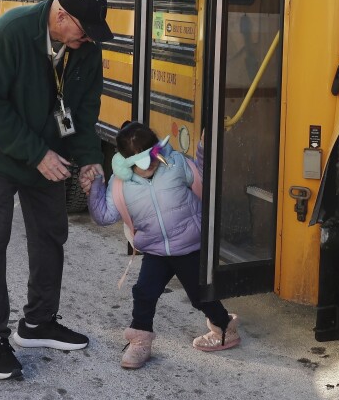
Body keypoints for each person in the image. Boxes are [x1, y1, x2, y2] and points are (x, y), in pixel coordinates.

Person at [0, 0, 112, 380]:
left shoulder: (86, 47)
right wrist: (37, 155)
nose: (89, 39)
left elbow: (83, 110)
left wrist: (89, 160)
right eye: (85, 29)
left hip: (48, 153)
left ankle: (37, 322)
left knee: (51, 234)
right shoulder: (9, 33)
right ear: (61, 16)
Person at [80, 121, 240, 369]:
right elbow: (103, 216)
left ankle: (225, 328)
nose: (152, 163)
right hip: (155, 250)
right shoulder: (120, 185)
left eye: (154, 154)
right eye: (143, 161)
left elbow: (203, 176)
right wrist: (95, 187)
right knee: (144, 293)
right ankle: (140, 341)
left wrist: (203, 148)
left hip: (188, 246)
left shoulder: (175, 163)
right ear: (127, 163)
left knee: (200, 296)